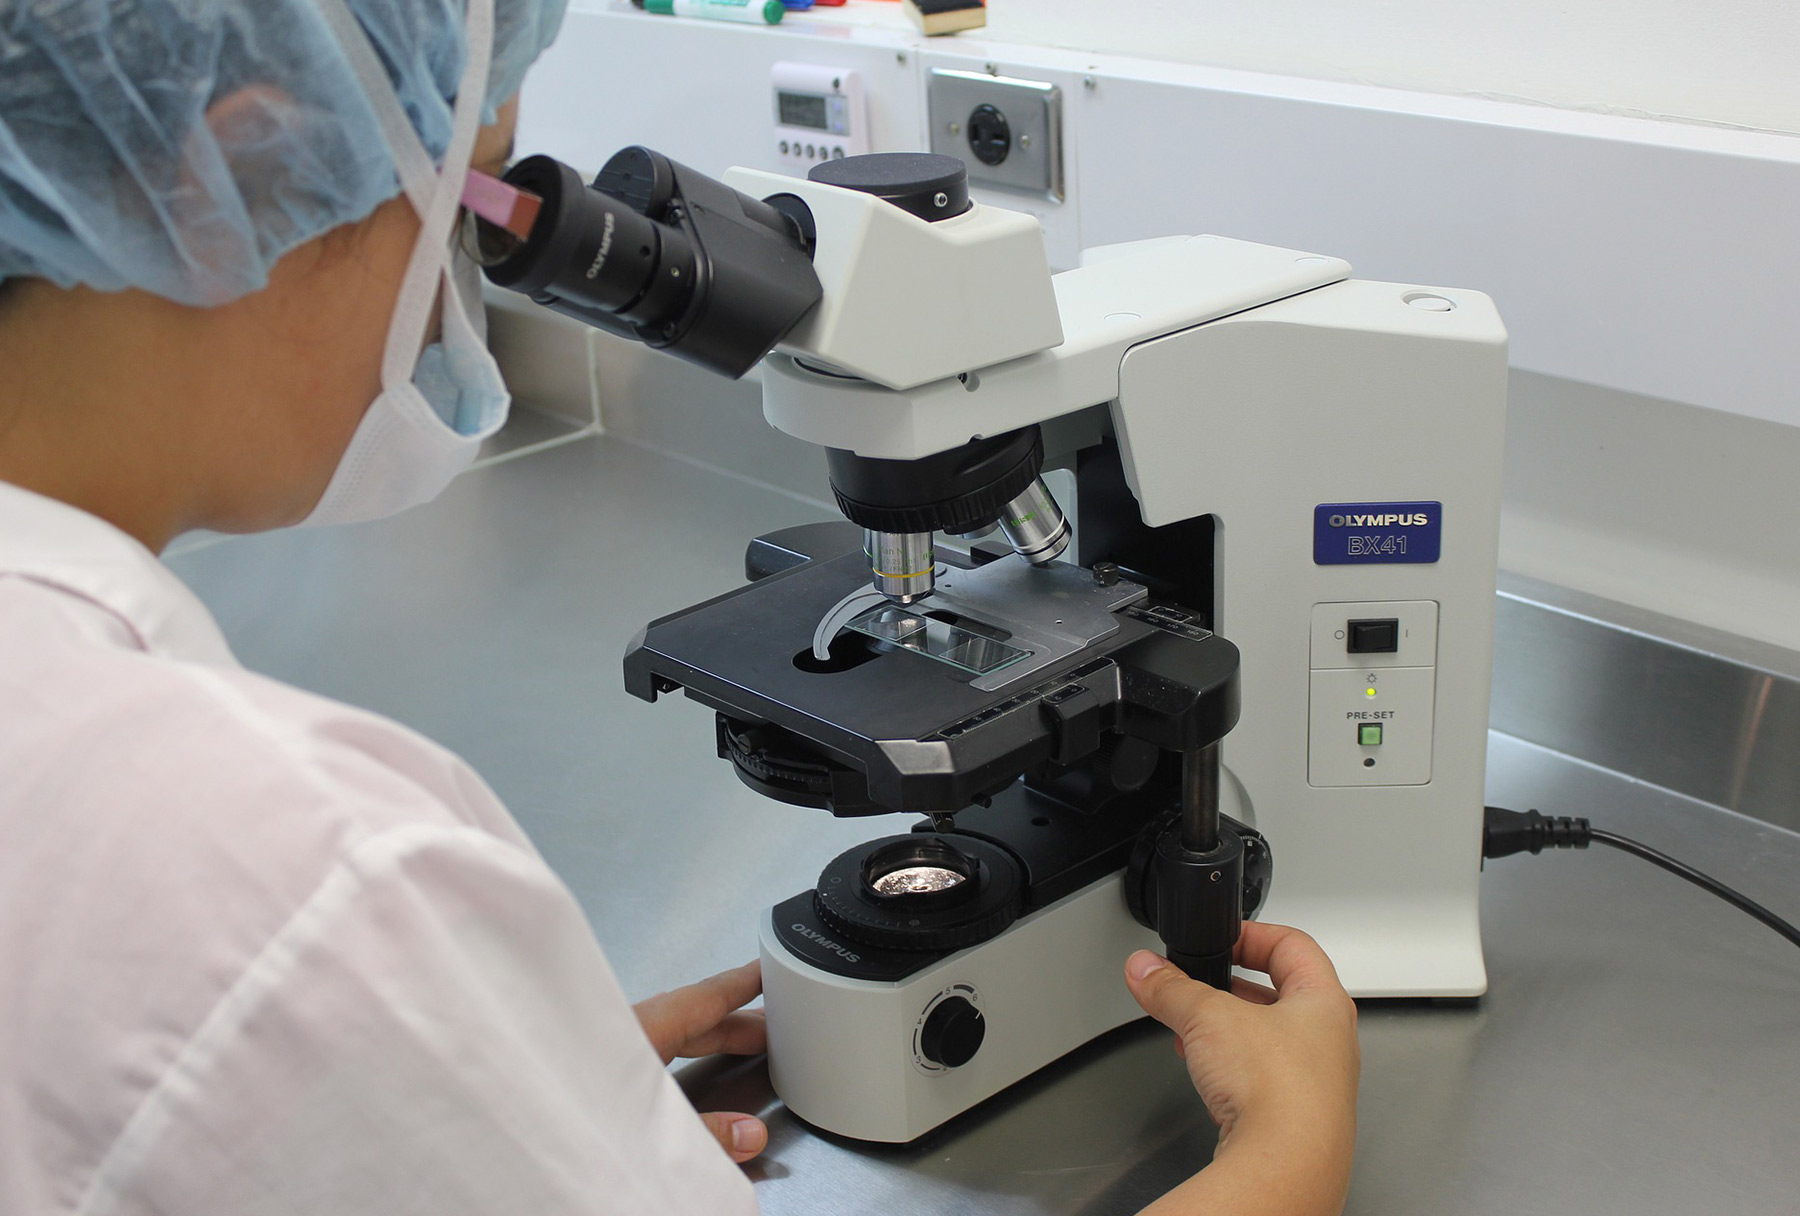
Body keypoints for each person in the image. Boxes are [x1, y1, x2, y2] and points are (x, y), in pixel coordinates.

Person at [0, 2, 1360, 1213]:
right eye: (460, 205)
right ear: (239, 167)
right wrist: (1285, 1167)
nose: (447, 306)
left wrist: (494, 1109)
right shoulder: (304, 891)